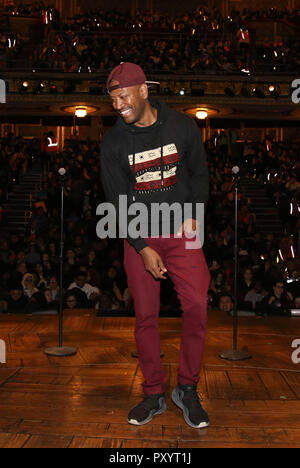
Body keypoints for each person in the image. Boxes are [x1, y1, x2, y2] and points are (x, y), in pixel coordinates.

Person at [101, 62, 210, 429]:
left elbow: (199, 173)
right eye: (113, 99)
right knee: (145, 316)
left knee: (197, 304)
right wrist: (141, 246)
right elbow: (116, 202)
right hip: (140, 235)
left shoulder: (182, 126)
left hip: (184, 229)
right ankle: (153, 394)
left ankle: (188, 388)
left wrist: (195, 214)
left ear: (144, 90)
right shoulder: (114, 142)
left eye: (123, 96)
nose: (118, 105)